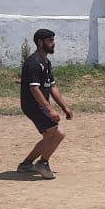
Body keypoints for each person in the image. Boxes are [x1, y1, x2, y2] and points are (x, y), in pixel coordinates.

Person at [17, 29, 75, 180]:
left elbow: (52, 87)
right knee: (56, 133)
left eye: (53, 40)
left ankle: (27, 164)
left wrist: (64, 107)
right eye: (50, 40)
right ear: (40, 42)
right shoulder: (34, 63)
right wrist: (50, 110)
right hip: (33, 105)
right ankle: (43, 163)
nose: (53, 43)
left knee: (50, 135)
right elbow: (34, 89)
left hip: (40, 105)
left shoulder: (46, 63)